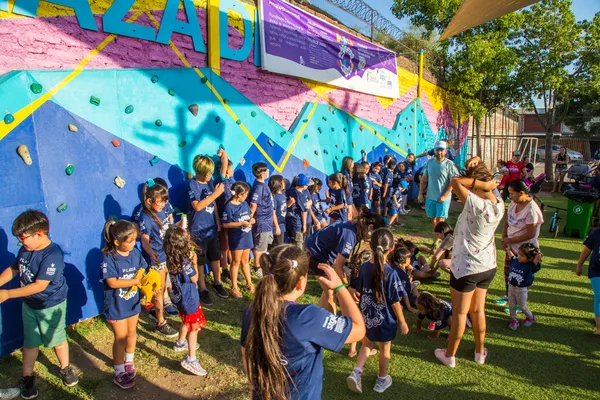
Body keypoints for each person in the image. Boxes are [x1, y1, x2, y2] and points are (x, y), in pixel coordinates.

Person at [240, 245, 366, 400]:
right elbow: (358, 329)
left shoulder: (252, 311)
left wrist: (327, 294)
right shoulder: (307, 316)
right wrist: (340, 287)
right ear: (300, 283)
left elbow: (247, 358)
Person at [0, 210, 78, 398]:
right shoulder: (26, 250)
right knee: (31, 342)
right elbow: (14, 268)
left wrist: (8, 293)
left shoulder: (52, 255)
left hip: (50, 306)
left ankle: (65, 368)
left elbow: (39, 286)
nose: (20, 242)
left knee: (57, 341)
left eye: (23, 237)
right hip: (30, 306)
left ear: (40, 233)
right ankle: (27, 378)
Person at [435, 158, 504, 368]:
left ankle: (450, 355)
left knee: (460, 314)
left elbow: (456, 181)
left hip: (466, 268)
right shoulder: (499, 203)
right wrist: (481, 168)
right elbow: (491, 183)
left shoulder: (477, 204)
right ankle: (479, 352)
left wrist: (481, 183)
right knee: (478, 311)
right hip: (487, 266)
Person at [346, 228, 409, 394]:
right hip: (385, 320)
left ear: (370, 245)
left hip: (366, 316)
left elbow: (358, 290)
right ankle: (382, 380)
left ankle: (356, 373)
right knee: (385, 350)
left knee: (367, 344)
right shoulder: (391, 273)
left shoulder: (365, 267)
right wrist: (402, 322)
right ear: (392, 248)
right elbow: (395, 302)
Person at [305, 210, 386, 314]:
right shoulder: (350, 234)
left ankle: (319, 317)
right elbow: (338, 266)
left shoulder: (356, 227)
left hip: (319, 250)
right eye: (375, 235)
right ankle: (331, 325)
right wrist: (348, 287)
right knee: (332, 291)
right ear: (370, 227)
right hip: (315, 254)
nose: (374, 239)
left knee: (328, 291)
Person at [101, 219, 146, 389]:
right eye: (130, 241)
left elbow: (143, 271)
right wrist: (135, 280)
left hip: (132, 303)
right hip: (116, 305)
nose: (133, 244)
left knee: (132, 333)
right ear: (116, 242)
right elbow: (112, 282)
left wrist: (150, 283)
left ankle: (129, 361)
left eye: (135, 240)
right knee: (120, 338)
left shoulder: (135, 253)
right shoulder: (108, 257)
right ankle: (119, 371)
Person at [163, 226, 208, 376]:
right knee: (194, 328)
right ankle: (191, 359)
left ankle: (181, 342)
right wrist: (194, 262)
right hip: (189, 300)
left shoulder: (170, 259)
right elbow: (194, 278)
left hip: (180, 299)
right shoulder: (186, 263)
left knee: (185, 322)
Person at [138, 179, 178, 337]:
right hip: (157, 258)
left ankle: (157, 311)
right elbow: (144, 239)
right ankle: (160, 322)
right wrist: (151, 253)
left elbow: (170, 222)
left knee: (163, 287)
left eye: (164, 202)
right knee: (158, 290)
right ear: (149, 201)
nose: (163, 205)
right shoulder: (145, 217)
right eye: (160, 202)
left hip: (167, 253)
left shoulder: (165, 208)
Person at [188, 154, 229, 306]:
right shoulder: (192, 184)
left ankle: (217, 282)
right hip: (198, 230)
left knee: (215, 256)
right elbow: (197, 206)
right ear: (199, 173)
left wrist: (217, 219)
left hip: (211, 228)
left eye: (211, 174)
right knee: (200, 260)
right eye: (208, 174)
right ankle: (202, 288)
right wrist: (215, 194)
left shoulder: (209, 182)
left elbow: (214, 205)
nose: (210, 176)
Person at [496, 180, 544, 306]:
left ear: (521, 193)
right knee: (509, 273)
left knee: (521, 277)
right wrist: (504, 238)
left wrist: (509, 240)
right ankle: (509, 296)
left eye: (512, 194)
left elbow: (530, 234)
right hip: (511, 248)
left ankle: (518, 304)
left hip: (525, 252)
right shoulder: (513, 203)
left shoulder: (532, 210)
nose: (510, 197)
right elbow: (507, 221)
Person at [222, 182, 255, 298]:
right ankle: (234, 287)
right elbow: (225, 225)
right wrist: (240, 223)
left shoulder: (245, 204)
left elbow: (250, 216)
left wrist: (251, 221)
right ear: (239, 194)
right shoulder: (229, 207)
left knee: (246, 261)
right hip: (236, 238)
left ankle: (249, 283)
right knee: (236, 262)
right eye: (245, 194)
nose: (247, 196)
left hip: (247, 236)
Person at [418, 140, 458, 229]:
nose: (439, 152)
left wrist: (444, 195)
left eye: (441, 150)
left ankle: (437, 240)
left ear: (445, 151)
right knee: (432, 219)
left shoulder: (449, 164)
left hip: (443, 198)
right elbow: (424, 179)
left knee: (440, 220)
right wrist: (420, 194)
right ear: (434, 151)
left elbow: (453, 182)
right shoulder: (429, 162)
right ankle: (438, 235)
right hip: (430, 196)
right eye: (437, 150)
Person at [249, 162, 280, 278]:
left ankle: (262, 266)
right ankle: (257, 267)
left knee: (264, 247)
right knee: (259, 247)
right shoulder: (258, 187)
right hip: (261, 222)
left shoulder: (264, 185)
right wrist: (250, 218)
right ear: (261, 173)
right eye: (266, 170)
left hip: (267, 222)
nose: (268, 171)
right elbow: (253, 204)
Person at [505, 243, 542, 330]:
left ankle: (531, 317)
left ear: (530, 258)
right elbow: (512, 256)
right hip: (511, 287)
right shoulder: (515, 260)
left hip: (521, 290)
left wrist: (537, 253)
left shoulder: (530, 266)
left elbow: (537, 257)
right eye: (519, 254)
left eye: (522, 256)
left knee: (522, 306)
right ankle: (514, 319)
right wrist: (508, 249)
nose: (519, 257)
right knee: (511, 304)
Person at [214, 149, 235, 285]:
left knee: (230, 244)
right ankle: (225, 269)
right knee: (223, 245)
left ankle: (232, 265)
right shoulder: (221, 181)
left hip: (233, 219)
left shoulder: (232, 182)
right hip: (223, 218)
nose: (231, 170)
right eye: (229, 168)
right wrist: (224, 155)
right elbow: (225, 163)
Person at [576, 227, 600, 335]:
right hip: (596, 271)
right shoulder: (596, 233)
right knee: (599, 296)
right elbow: (587, 249)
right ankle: (599, 327)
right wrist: (579, 265)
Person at [389, 245, 419, 312]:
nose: (410, 260)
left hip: (391, 295)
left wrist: (409, 271)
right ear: (405, 259)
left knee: (413, 285)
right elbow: (404, 291)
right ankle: (419, 303)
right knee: (414, 291)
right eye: (409, 258)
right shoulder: (402, 274)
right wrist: (409, 307)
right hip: (399, 298)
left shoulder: (394, 267)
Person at [286, 174, 311, 248]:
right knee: (299, 244)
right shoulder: (301, 196)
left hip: (290, 220)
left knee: (291, 242)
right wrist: (304, 226)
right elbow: (303, 212)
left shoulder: (291, 190)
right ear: (304, 186)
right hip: (297, 223)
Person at [269, 175, 287, 247]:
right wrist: (276, 227)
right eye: (282, 181)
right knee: (277, 247)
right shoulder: (274, 196)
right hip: (276, 225)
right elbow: (273, 212)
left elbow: (283, 207)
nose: (284, 183)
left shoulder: (282, 193)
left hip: (282, 224)